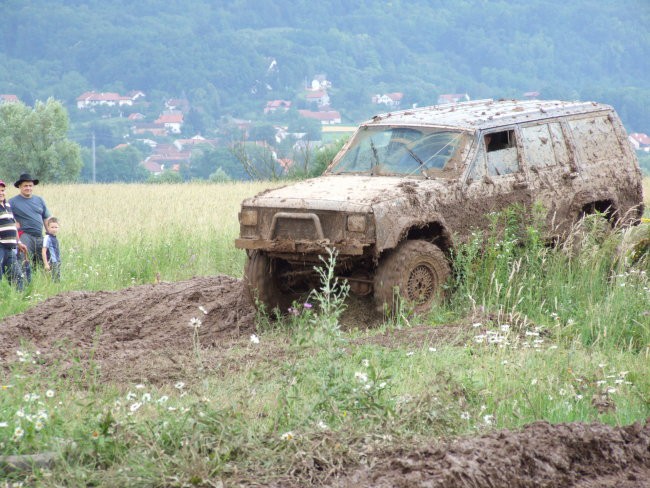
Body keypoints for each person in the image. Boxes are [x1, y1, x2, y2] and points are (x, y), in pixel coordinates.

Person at [9, 173, 51, 281]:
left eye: (30, 185)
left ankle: (44, 284)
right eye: (25, 186)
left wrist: (49, 234)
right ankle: (23, 284)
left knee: (44, 262)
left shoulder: (39, 200)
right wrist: (14, 224)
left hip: (40, 236)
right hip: (25, 236)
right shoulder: (13, 202)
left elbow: (46, 218)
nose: (28, 188)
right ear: (20, 187)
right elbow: (5, 217)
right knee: (24, 261)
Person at [0, 179, 27, 290]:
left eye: (2, 190)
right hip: (0, 246)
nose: (1, 193)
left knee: (17, 277)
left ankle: (20, 301)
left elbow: (13, 226)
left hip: (10, 248)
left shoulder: (7, 205)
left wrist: (18, 242)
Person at [42, 217, 61, 282]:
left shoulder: (54, 238)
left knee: (57, 279)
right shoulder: (47, 238)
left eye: (56, 227)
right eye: (52, 227)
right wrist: (46, 264)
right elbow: (44, 251)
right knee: (53, 279)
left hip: (57, 261)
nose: (54, 229)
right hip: (52, 262)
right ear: (48, 227)